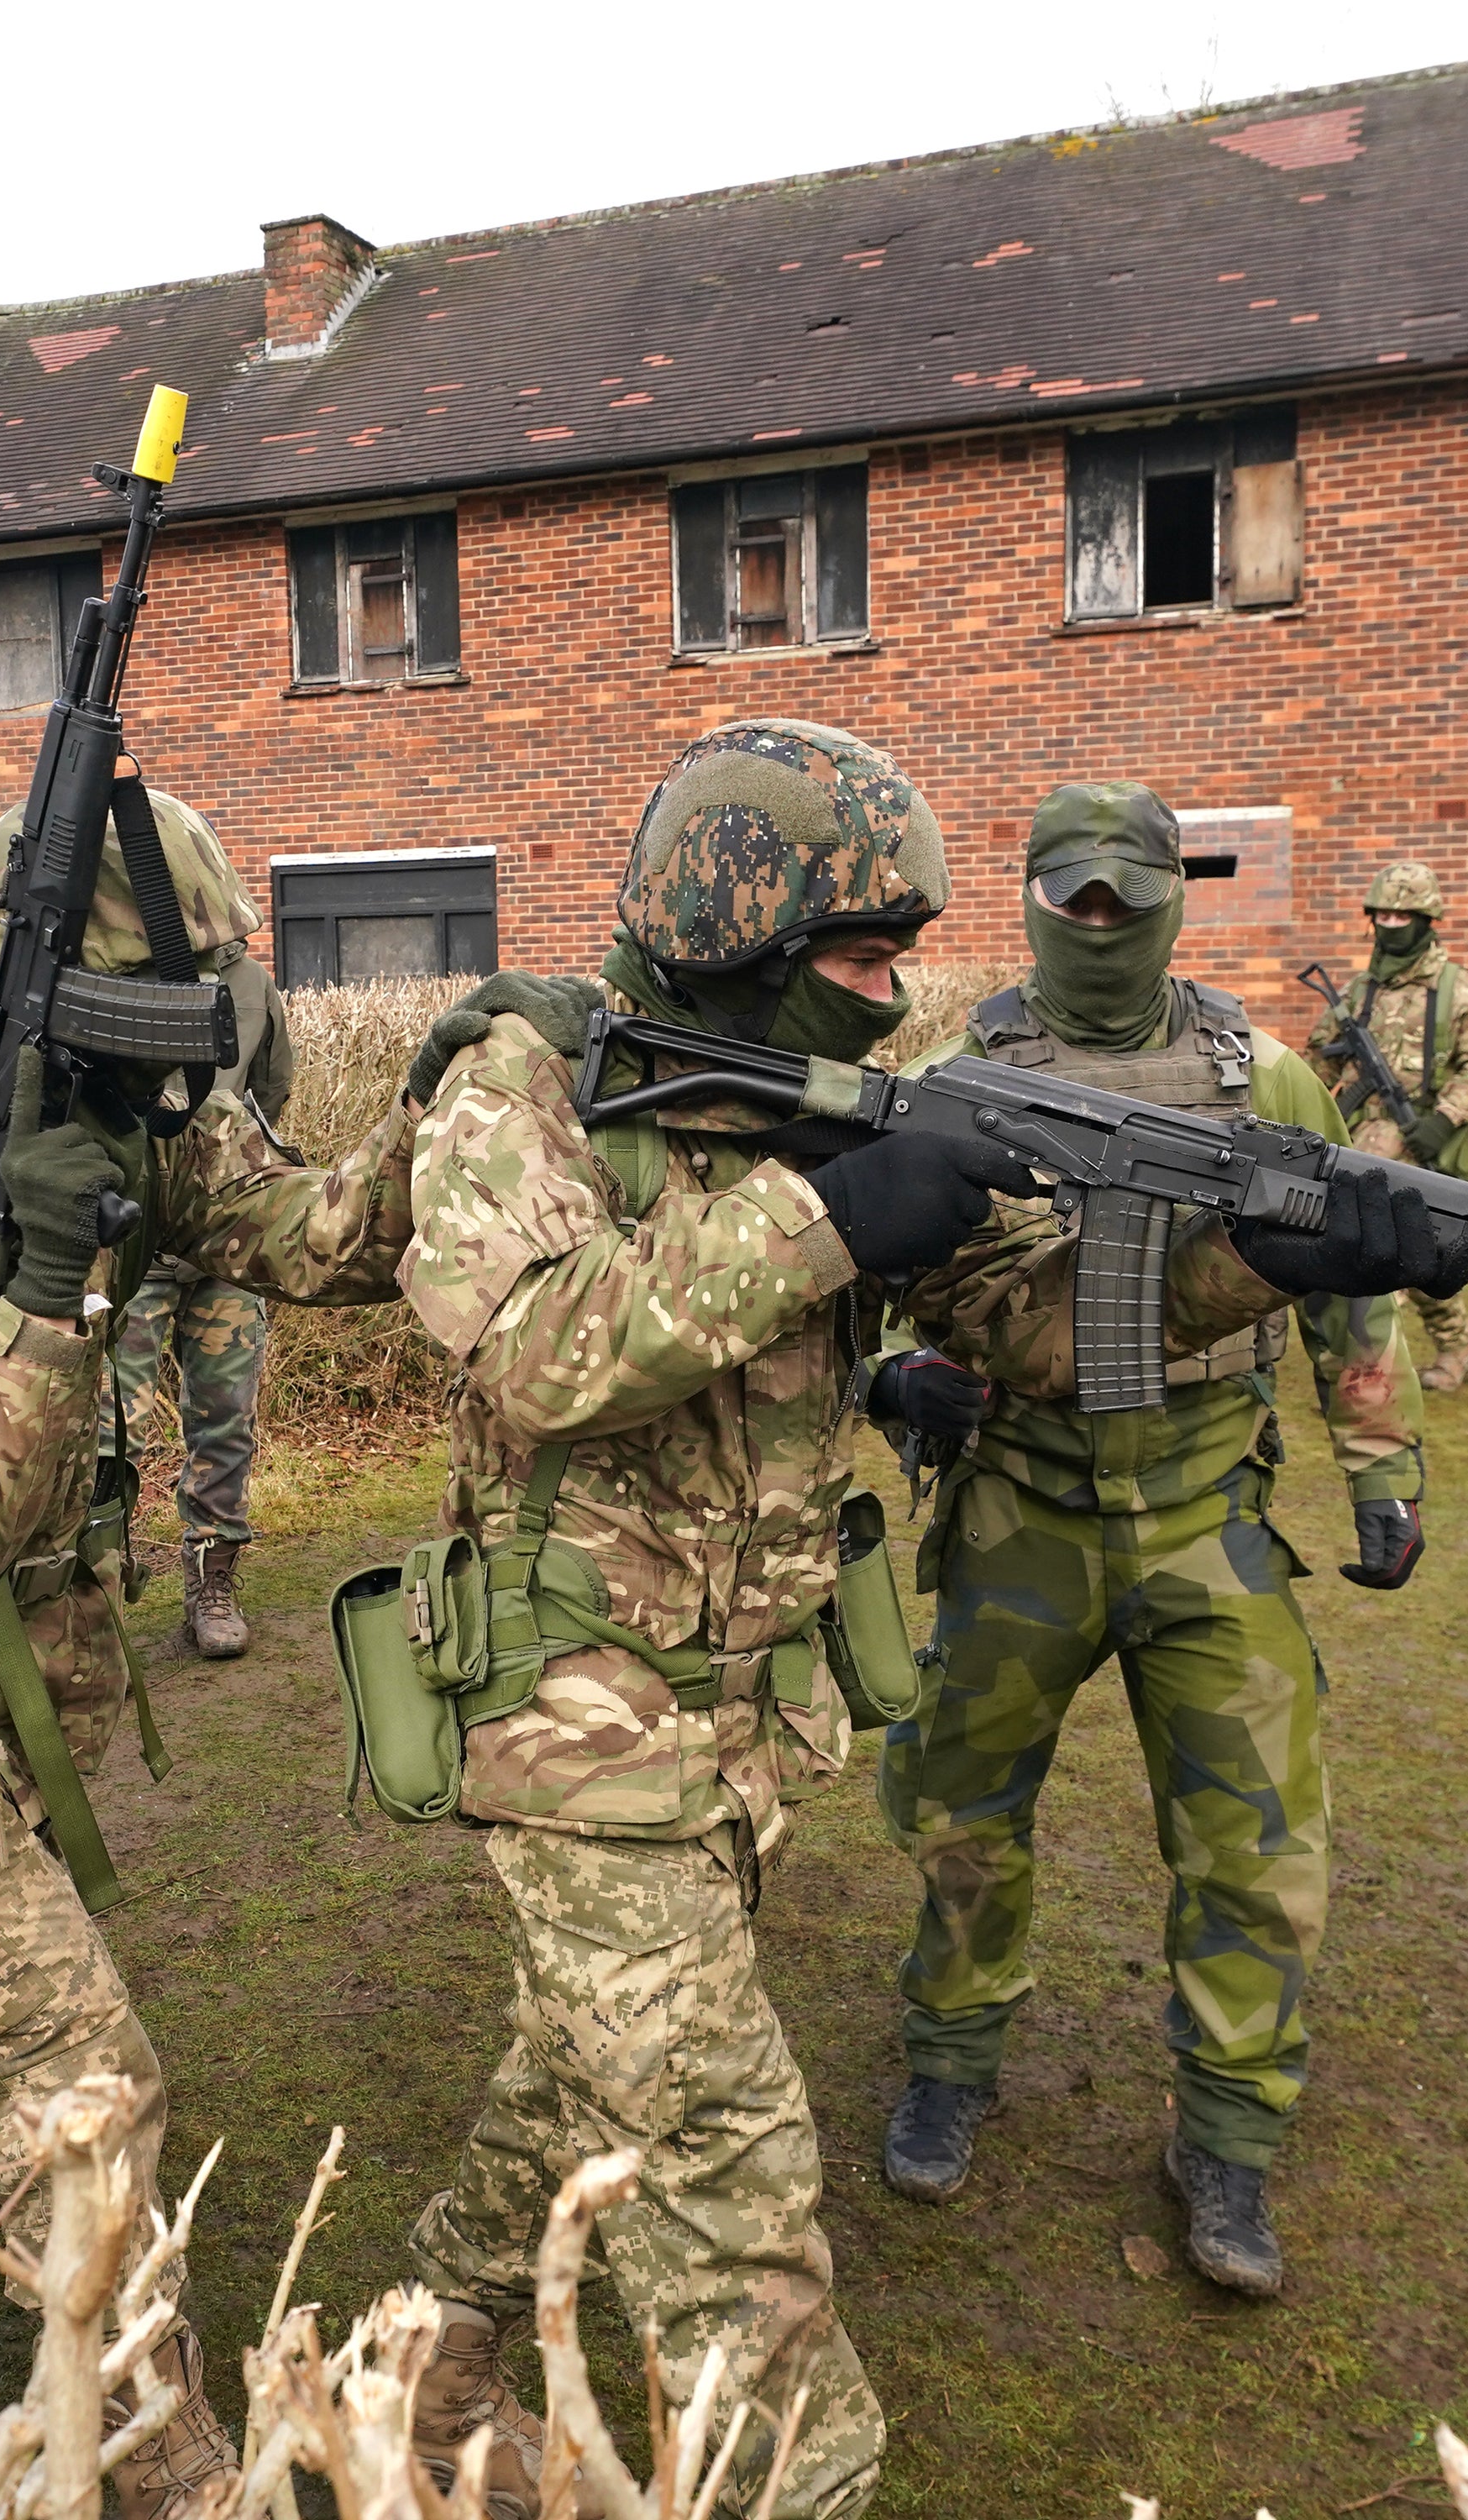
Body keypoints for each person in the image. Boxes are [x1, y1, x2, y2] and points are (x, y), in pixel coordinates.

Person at [0, 782, 571, 2502]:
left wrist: (454, 1093)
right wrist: (45, 1282)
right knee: (79, 2069)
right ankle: (160, 2461)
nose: (219, 1028)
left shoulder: (137, 1112)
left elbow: (320, 1240)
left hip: (35, 1658)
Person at [390, 718, 1035, 2520]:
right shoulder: (524, 1081)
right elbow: (531, 1346)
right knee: (722, 2178)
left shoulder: (804, 1107)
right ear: (739, 935)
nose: (894, 995)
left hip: (737, 1732)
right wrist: (829, 1224)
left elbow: (1025, 1317)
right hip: (567, 1730)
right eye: (858, 958)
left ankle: (424, 2385)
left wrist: (1266, 1256)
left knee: (563, 2082)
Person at [870, 780, 1453, 2301]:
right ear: (1034, 900)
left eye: (1131, 900)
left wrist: (1381, 1467)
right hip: (1016, 1502)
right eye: (1076, 899)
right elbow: (845, 1258)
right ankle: (949, 2058)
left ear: (1175, 900)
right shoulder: (952, 1076)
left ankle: (1230, 2134)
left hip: (1207, 1509)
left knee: (1256, 1846)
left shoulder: (1263, 1076)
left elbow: (1352, 1278)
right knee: (960, 1816)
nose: (1103, 927)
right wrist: (894, 1373)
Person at [106, 883, 295, 1659]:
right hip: (134, 1236)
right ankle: (95, 1581)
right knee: (113, 1422)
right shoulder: (112, 974)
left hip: (226, 1236)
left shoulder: (252, 984)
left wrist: (229, 1167)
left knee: (226, 1414)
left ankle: (213, 1577)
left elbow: (272, 1088)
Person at [1302, 861, 1468, 1391]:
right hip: (1359, 1138)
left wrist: (1443, 1120)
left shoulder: (1459, 990)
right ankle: (1458, 1346)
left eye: (1403, 915)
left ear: (1427, 918)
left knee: (1384, 1245)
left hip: (1418, 1139)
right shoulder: (1359, 990)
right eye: (1382, 914)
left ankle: (1370, 1370)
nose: (1391, 923)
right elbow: (1318, 1059)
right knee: (1418, 1247)